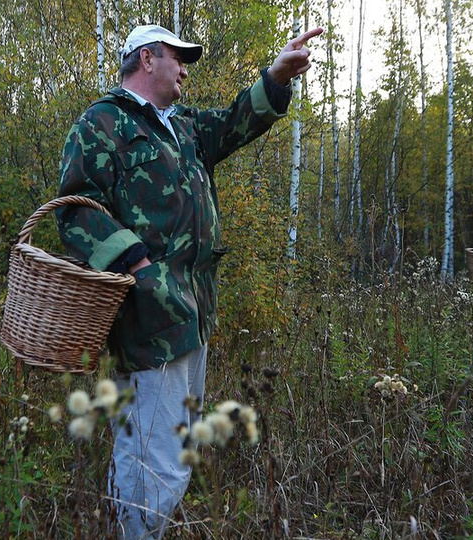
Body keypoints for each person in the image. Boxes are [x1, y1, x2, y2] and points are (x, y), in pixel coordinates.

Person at [56, 23, 323, 539]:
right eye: (178, 58)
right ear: (148, 58)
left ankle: (124, 527)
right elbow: (74, 211)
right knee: (161, 454)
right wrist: (137, 263)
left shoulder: (183, 127)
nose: (185, 68)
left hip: (193, 313)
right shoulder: (102, 123)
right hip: (149, 316)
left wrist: (275, 76)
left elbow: (235, 122)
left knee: (156, 442)